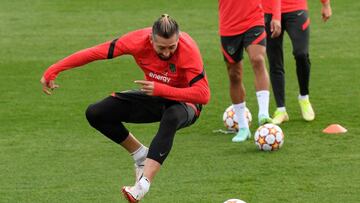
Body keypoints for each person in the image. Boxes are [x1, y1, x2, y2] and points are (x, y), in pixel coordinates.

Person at [40, 14, 210, 202]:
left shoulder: (188, 48)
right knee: (96, 113)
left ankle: (143, 184)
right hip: (155, 95)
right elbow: (95, 52)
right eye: (161, 47)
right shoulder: (136, 41)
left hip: (186, 104)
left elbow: (203, 95)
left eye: (172, 47)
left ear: (178, 40)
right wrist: (53, 69)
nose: (168, 53)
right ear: (150, 39)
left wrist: (162, 89)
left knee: (171, 116)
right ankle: (140, 154)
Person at [218, 0, 281, 142]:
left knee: (258, 59)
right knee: (234, 74)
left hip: (254, 20)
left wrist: (276, 16)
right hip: (229, 25)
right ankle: (243, 127)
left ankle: (263, 114)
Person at [263, 0, 332, 124]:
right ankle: (281, 109)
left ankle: (304, 97)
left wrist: (325, 3)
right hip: (269, 10)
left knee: (301, 54)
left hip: (296, 8)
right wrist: (275, 16)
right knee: (275, 60)